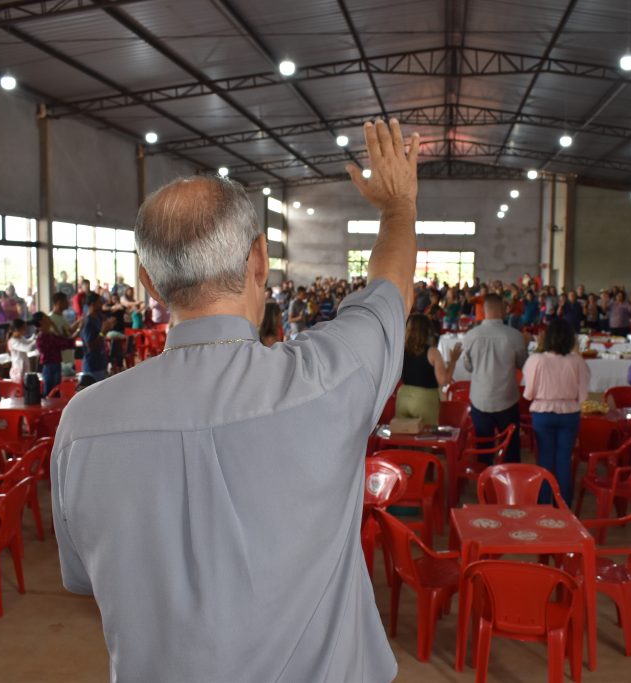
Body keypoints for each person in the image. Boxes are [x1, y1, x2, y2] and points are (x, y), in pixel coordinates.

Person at [52, 118, 419, 682]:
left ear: (150, 284)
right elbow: (389, 291)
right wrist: (398, 209)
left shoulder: (84, 424)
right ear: (258, 262)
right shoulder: (329, 380)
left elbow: (84, 576)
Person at [522, 318, 589, 505]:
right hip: (569, 414)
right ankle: (563, 506)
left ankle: (543, 504)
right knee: (563, 461)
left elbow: (528, 394)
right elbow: (583, 396)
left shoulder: (537, 359)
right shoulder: (577, 362)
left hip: (543, 413)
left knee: (545, 459)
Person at [462, 293, 529, 463]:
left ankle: (485, 484)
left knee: (484, 447)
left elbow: (468, 366)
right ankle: (509, 485)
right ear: (501, 310)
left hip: (480, 399)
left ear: (484, 311)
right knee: (511, 447)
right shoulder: (515, 336)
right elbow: (523, 364)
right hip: (506, 398)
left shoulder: (471, 336)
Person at [396, 314, 459, 426]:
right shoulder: (432, 352)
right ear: (427, 331)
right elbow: (443, 381)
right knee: (425, 438)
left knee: (404, 437)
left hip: (403, 397)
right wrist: (453, 360)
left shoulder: (401, 350)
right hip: (425, 399)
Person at [32, 313, 80, 396]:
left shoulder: (49, 334)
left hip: (54, 365)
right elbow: (64, 343)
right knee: (51, 393)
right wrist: (79, 329)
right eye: (46, 317)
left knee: (55, 392)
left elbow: (63, 341)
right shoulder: (42, 337)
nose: (49, 318)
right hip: (50, 367)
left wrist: (54, 327)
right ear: (41, 321)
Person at [79, 292, 115, 382]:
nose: (102, 304)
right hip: (92, 366)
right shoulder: (88, 322)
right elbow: (90, 346)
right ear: (92, 304)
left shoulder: (98, 317)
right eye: (99, 302)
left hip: (100, 363)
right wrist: (103, 332)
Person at [7, 319, 38, 384]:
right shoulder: (13, 341)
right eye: (23, 328)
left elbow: (28, 342)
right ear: (17, 329)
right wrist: (38, 341)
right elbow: (28, 348)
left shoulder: (20, 338)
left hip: (24, 366)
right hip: (18, 369)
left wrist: (35, 336)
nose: (25, 330)